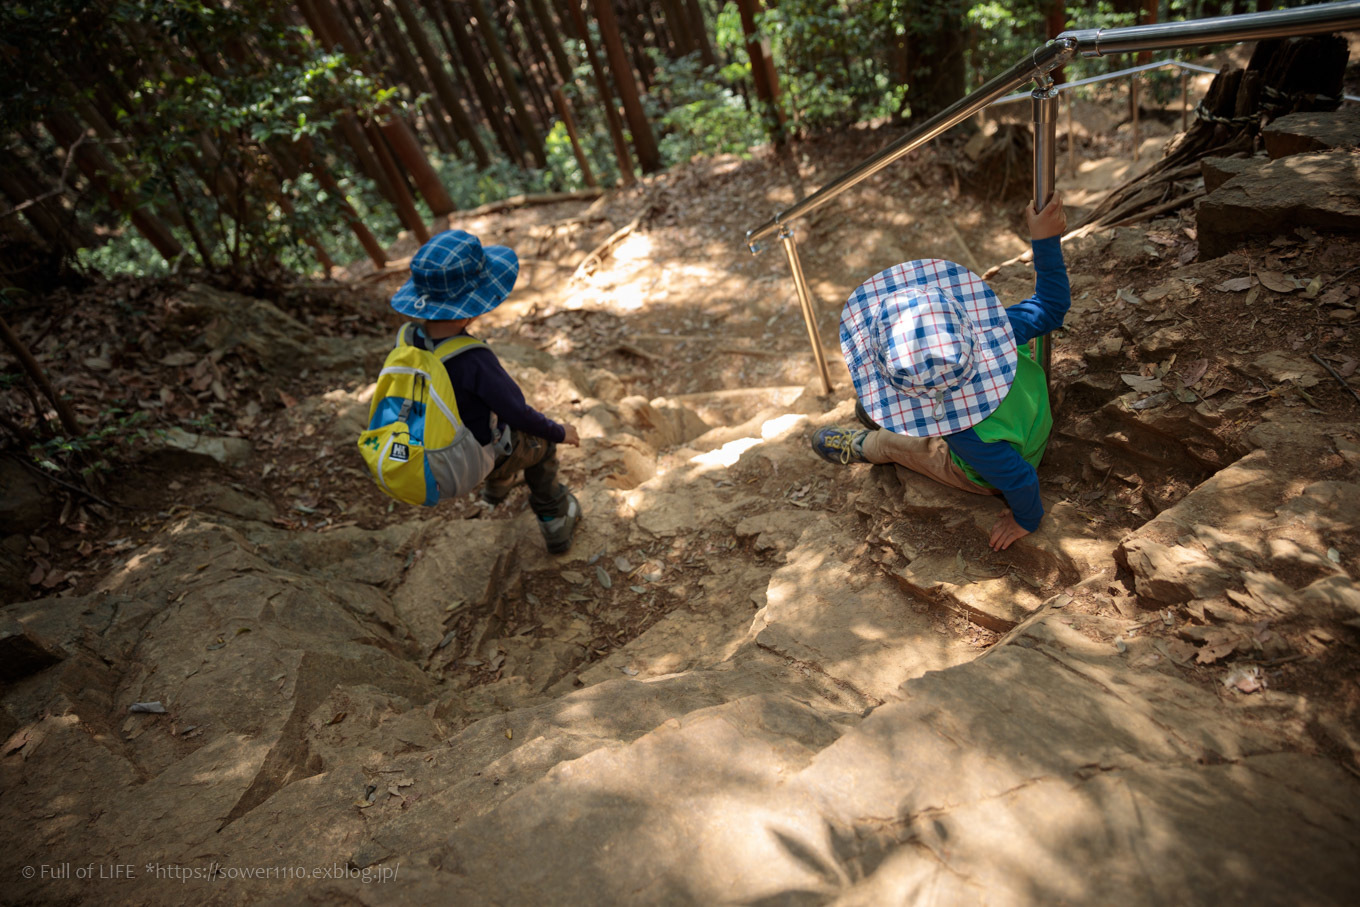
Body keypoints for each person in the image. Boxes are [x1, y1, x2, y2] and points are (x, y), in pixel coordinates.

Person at [811, 193, 1070, 552]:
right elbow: (1052, 305)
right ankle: (876, 418)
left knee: (892, 441)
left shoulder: (965, 434)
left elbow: (1019, 477)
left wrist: (1027, 518)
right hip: (1030, 419)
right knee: (897, 422)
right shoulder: (1000, 329)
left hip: (999, 462)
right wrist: (1044, 238)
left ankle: (865, 445)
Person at [389, 229, 582, 553]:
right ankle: (555, 519)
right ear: (471, 307)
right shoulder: (473, 360)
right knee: (542, 446)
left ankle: (497, 488)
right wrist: (561, 432)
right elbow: (518, 414)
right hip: (477, 456)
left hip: (431, 449)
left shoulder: (408, 338)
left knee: (490, 428)